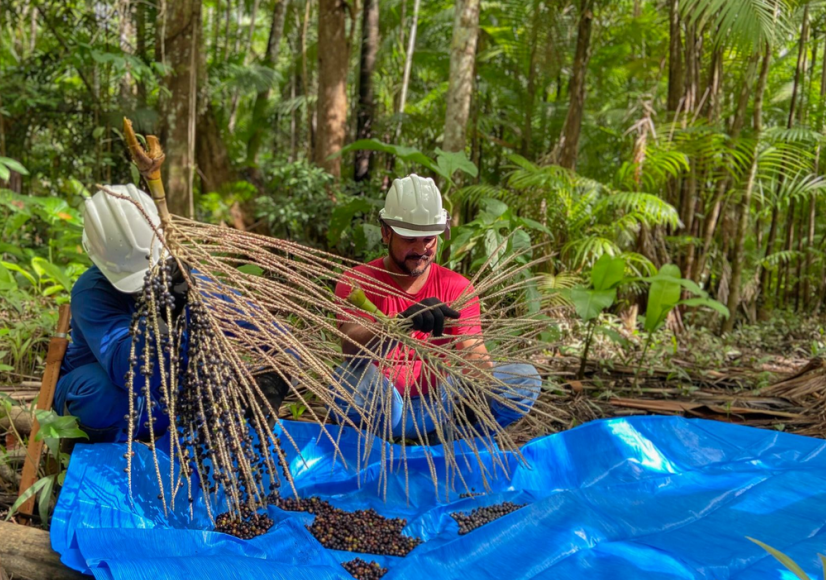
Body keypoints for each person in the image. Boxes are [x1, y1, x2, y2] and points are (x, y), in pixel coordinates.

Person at [55, 184, 288, 443]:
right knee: (100, 395)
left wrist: (273, 382)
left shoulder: (195, 286)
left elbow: (278, 338)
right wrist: (164, 318)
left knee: (217, 386)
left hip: (170, 398)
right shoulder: (92, 292)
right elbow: (130, 371)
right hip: (115, 401)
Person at [333, 174, 541, 440]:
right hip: (385, 408)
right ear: (386, 232)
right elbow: (352, 350)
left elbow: (474, 351)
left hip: (442, 404)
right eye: (410, 239)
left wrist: (479, 388)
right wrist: (399, 325)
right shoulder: (357, 282)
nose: (421, 249)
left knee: (522, 378)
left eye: (429, 239)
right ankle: (374, 446)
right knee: (348, 383)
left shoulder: (456, 286)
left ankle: (458, 434)